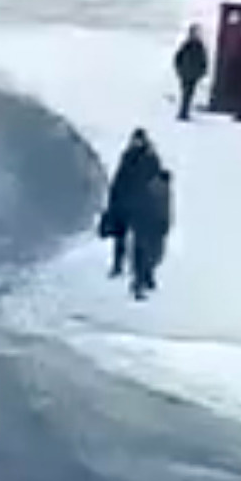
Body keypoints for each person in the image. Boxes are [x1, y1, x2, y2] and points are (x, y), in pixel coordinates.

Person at [101, 128, 162, 279]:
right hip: (125, 203)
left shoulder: (151, 159)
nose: (136, 143)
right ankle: (118, 265)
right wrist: (113, 199)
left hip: (141, 205)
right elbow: (120, 177)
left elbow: (154, 182)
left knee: (141, 242)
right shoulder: (128, 156)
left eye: (139, 140)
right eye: (135, 140)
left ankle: (144, 274)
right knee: (120, 237)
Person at [131, 168, 172, 300]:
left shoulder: (148, 188)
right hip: (152, 228)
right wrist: (165, 224)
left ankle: (141, 281)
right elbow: (164, 211)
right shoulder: (162, 192)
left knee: (143, 255)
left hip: (144, 227)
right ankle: (141, 284)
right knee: (151, 255)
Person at [173, 25, 209, 122]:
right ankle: (183, 113)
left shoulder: (199, 46)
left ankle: (184, 112)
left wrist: (202, 72)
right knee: (186, 93)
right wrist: (180, 70)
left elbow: (203, 60)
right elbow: (178, 58)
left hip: (193, 74)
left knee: (188, 94)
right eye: (195, 32)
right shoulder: (187, 45)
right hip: (186, 73)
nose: (197, 34)